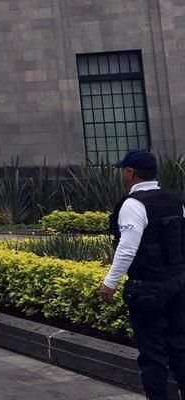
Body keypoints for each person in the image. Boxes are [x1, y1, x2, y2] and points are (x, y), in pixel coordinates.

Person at [100, 149, 185, 399]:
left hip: (148, 288)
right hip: (179, 284)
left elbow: (127, 249)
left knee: (152, 354)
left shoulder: (133, 205)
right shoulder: (176, 200)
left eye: (123, 171)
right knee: (180, 347)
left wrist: (110, 283)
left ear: (130, 173)